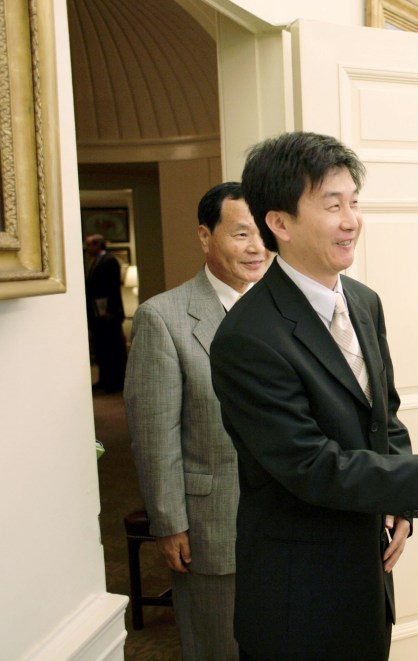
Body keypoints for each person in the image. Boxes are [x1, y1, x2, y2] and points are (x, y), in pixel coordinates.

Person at [208, 131, 418, 660]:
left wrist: (399, 500)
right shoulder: (247, 338)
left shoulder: (362, 301)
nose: (351, 219)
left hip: (368, 576)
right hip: (297, 595)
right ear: (279, 223)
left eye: (354, 201)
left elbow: (385, 416)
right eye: (332, 205)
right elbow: (312, 465)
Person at [124, 182, 269, 660]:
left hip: (287, 522)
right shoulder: (162, 318)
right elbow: (155, 433)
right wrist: (169, 523)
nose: (256, 249)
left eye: (263, 234)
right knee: (217, 647)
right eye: (241, 234)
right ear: (206, 237)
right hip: (213, 523)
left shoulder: (286, 309)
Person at [84, 233, 127, 392]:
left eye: (89, 245)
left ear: (98, 245)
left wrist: (112, 311)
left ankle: (116, 381)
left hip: (109, 313)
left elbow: (113, 289)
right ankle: (105, 379)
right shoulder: (93, 262)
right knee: (101, 347)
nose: (87, 248)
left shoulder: (109, 261)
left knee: (113, 347)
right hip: (96, 313)